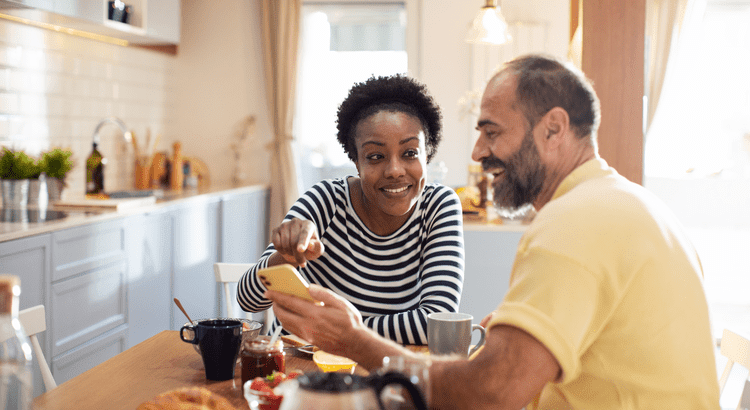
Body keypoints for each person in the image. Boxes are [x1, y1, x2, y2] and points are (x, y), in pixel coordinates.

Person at [266, 54, 721, 409]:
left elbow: (487, 396)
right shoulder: (623, 202)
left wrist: (353, 339)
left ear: (554, 129)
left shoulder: (574, 224)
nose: (479, 151)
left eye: (492, 132)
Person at [237, 74, 465, 345]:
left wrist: (337, 330)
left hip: (388, 368)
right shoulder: (325, 201)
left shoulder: (439, 205)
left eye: (410, 153)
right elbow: (247, 300)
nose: (394, 170)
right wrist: (284, 259)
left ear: (427, 155)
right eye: (376, 157)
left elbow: (435, 322)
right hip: (309, 368)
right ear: (357, 162)